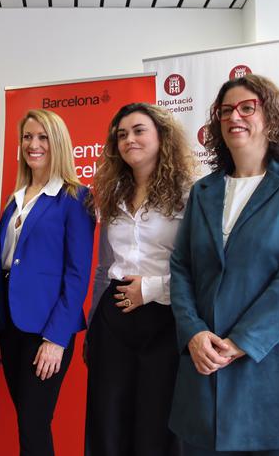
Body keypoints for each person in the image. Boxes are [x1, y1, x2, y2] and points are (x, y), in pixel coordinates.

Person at [169, 74, 279, 455]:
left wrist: (243, 340)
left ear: (271, 116)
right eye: (226, 110)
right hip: (208, 374)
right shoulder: (203, 191)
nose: (235, 116)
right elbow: (181, 268)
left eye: (247, 107)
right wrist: (193, 332)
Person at [84, 103, 194, 456]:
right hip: (113, 318)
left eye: (138, 130)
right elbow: (104, 266)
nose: (129, 139)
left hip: (165, 316)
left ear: (162, 136)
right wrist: (93, 326)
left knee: (156, 424)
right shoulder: (112, 193)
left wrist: (150, 289)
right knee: (107, 422)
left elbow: (199, 268)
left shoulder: (189, 194)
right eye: (121, 134)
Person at [0, 109, 95, 456]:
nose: (33, 144)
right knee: (26, 422)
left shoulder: (76, 197)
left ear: (57, 142)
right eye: (27, 137)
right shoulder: (14, 199)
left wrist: (56, 339)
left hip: (45, 329)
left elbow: (77, 274)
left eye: (42, 137)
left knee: (34, 424)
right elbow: (1, 268)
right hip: (10, 327)